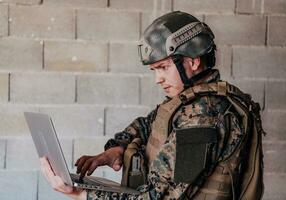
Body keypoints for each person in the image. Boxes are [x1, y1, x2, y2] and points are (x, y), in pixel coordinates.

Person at [40, 11, 265, 200]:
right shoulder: (189, 103)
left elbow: (160, 196)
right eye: (154, 70)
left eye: (164, 67)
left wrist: (81, 193)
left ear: (193, 61)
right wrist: (115, 149)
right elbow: (148, 124)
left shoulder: (205, 116)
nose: (158, 79)